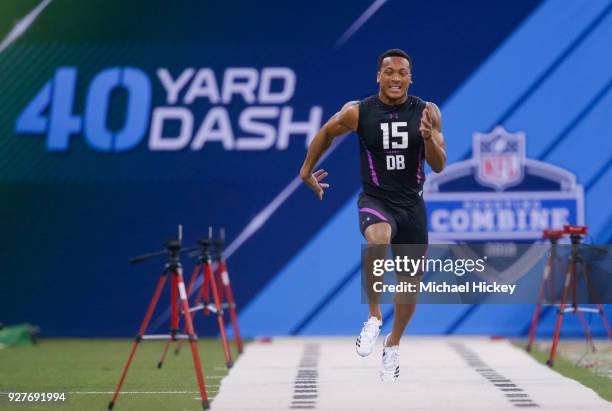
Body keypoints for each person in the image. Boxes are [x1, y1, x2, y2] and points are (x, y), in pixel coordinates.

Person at [299, 48, 446, 381]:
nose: (395, 78)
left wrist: (428, 139)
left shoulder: (427, 112)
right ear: (378, 76)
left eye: (402, 73)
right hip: (376, 200)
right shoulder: (358, 112)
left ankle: (393, 344)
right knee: (377, 238)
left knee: (409, 284)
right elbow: (326, 132)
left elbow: (439, 164)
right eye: (389, 72)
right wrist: (306, 170)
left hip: (412, 206)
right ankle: (374, 318)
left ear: (411, 77)